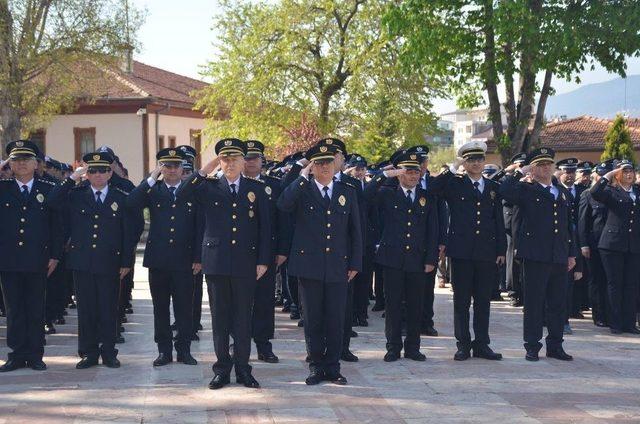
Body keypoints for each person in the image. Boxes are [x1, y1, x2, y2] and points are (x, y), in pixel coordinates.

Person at [178, 138, 271, 390]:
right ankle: (221, 370)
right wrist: (204, 169)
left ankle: (243, 368)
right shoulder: (207, 186)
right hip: (217, 262)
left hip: (246, 262)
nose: (230, 163)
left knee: (243, 319)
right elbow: (181, 192)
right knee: (220, 319)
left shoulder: (256, 188)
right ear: (220, 161)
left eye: (235, 159)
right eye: (225, 159)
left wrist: (263, 260)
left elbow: (265, 228)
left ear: (244, 161)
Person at [278, 143, 362, 385]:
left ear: (335, 165)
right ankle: (316, 366)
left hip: (338, 265)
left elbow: (355, 230)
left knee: (335, 318)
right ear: (312, 166)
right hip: (308, 265)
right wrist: (302, 178)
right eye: (319, 163)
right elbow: (283, 204)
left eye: (328, 162)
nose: (324, 167)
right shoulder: (302, 189)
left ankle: (333, 367)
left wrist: (355, 262)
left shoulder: (347, 189)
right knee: (313, 319)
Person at [48, 152, 136, 369]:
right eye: (92, 170)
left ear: (109, 173)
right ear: (86, 173)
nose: (97, 175)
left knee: (108, 309)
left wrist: (126, 261)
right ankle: (88, 353)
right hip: (82, 261)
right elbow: (51, 201)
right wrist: (71, 179)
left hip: (110, 262)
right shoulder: (75, 194)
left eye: (102, 170)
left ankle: (108, 352)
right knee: (86, 309)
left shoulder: (120, 196)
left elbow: (129, 232)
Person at [427, 141, 506, 361]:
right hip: (461, 251)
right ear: (465, 162)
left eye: (479, 159)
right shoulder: (455, 184)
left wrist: (501, 248)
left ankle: (482, 344)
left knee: (483, 301)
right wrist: (453, 168)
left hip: (486, 252)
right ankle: (463, 344)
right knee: (462, 301)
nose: (476, 163)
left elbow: (497, 220)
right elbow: (432, 188)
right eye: (471, 160)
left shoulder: (492, 187)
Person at [127, 147, 201, 367]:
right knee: (160, 308)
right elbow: (131, 203)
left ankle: (184, 350)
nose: (171, 170)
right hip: (158, 260)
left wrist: (198, 257)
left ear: (182, 168)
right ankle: (164, 351)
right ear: (160, 168)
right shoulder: (153, 190)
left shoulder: (192, 190)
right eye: (166, 166)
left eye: (176, 166)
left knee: (184, 308)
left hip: (184, 260)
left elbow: (200, 226)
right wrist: (151, 178)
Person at [500, 148, 576, 362]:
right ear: (533, 168)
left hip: (558, 255)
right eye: (541, 165)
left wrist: (571, 253)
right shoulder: (526, 189)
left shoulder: (561, 192)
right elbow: (505, 191)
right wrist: (517, 171)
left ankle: (555, 345)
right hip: (535, 255)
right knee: (534, 303)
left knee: (558, 304)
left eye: (548, 164)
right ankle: (532, 346)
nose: (546, 168)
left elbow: (568, 226)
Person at [364, 151, 438, 362]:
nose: (414, 175)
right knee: (394, 305)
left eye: (416, 171)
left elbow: (433, 230)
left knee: (416, 305)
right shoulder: (387, 194)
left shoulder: (426, 197)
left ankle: (413, 347)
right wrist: (385, 174)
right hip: (392, 259)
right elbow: (365, 195)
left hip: (417, 259)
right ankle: (393, 347)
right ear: (399, 173)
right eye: (408, 171)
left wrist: (431, 259)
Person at [0, 140, 62, 372]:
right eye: (16, 160)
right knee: (14, 310)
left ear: (36, 164)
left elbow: (57, 226)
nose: (22, 164)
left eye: (26, 159)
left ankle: (35, 355)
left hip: (39, 259)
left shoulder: (47, 189)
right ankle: (16, 355)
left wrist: (55, 255)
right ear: (10, 164)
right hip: (8, 260)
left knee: (36, 308)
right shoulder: (3, 188)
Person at [243, 140, 289, 363]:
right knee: (238, 301)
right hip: (238, 253)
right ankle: (237, 342)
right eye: (247, 157)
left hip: (266, 252)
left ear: (262, 160)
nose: (251, 162)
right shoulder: (232, 184)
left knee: (264, 301)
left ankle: (264, 345)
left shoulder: (274, 185)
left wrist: (281, 250)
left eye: (255, 158)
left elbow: (283, 220)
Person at [590, 160, 640, 335]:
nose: (628, 174)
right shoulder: (611, 191)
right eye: (624, 171)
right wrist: (609, 175)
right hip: (612, 244)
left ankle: (629, 323)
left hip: (633, 245)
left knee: (631, 285)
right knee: (614, 284)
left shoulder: (637, 192)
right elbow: (594, 192)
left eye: (631, 171)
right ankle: (615, 323)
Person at [578, 161, 611, 328]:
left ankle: (610, 313)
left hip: (612, 245)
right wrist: (584, 244)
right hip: (594, 243)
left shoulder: (613, 193)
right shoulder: (587, 194)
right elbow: (583, 221)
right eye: (599, 175)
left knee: (609, 279)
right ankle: (598, 314)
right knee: (596, 279)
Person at [556, 158, 586, 334]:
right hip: (556, 241)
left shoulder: (581, 191)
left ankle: (565, 318)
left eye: (572, 172)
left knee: (568, 286)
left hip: (573, 239)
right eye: (567, 172)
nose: (570, 175)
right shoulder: (556, 191)